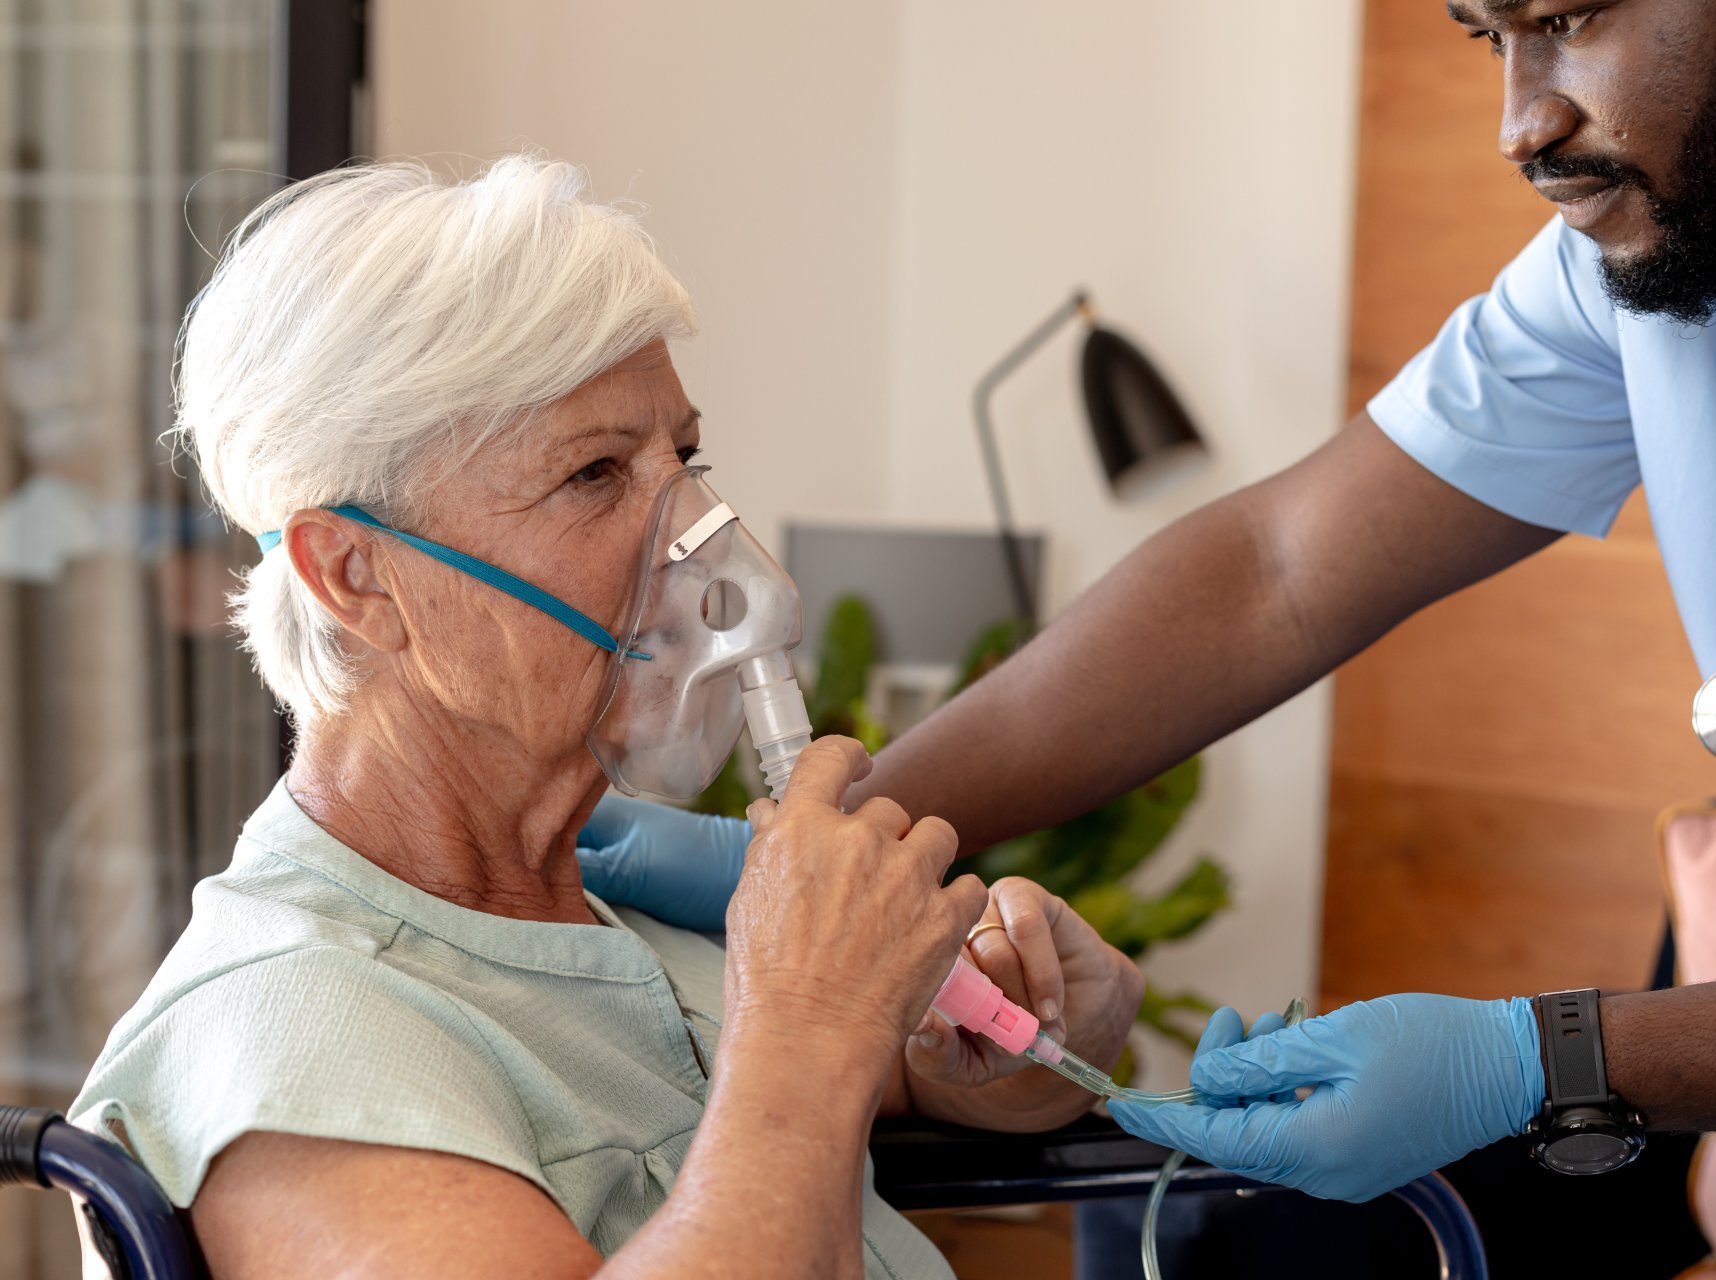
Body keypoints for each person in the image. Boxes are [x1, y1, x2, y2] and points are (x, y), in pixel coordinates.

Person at [584, 0, 1716, 1213]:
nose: (1523, 119)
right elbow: (1275, 570)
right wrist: (858, 830)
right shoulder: (1653, 263)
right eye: (1484, 36)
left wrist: (1542, 1059)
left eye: (1566, 18)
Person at [67, 157, 1144, 1280]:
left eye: (682, 458)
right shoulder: (292, 1037)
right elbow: (792, 1091)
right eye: (591, 474)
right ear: (357, 574)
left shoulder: (599, 934)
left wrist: (1015, 1038)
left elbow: (899, 1082)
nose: (701, 540)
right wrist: (811, 1012)